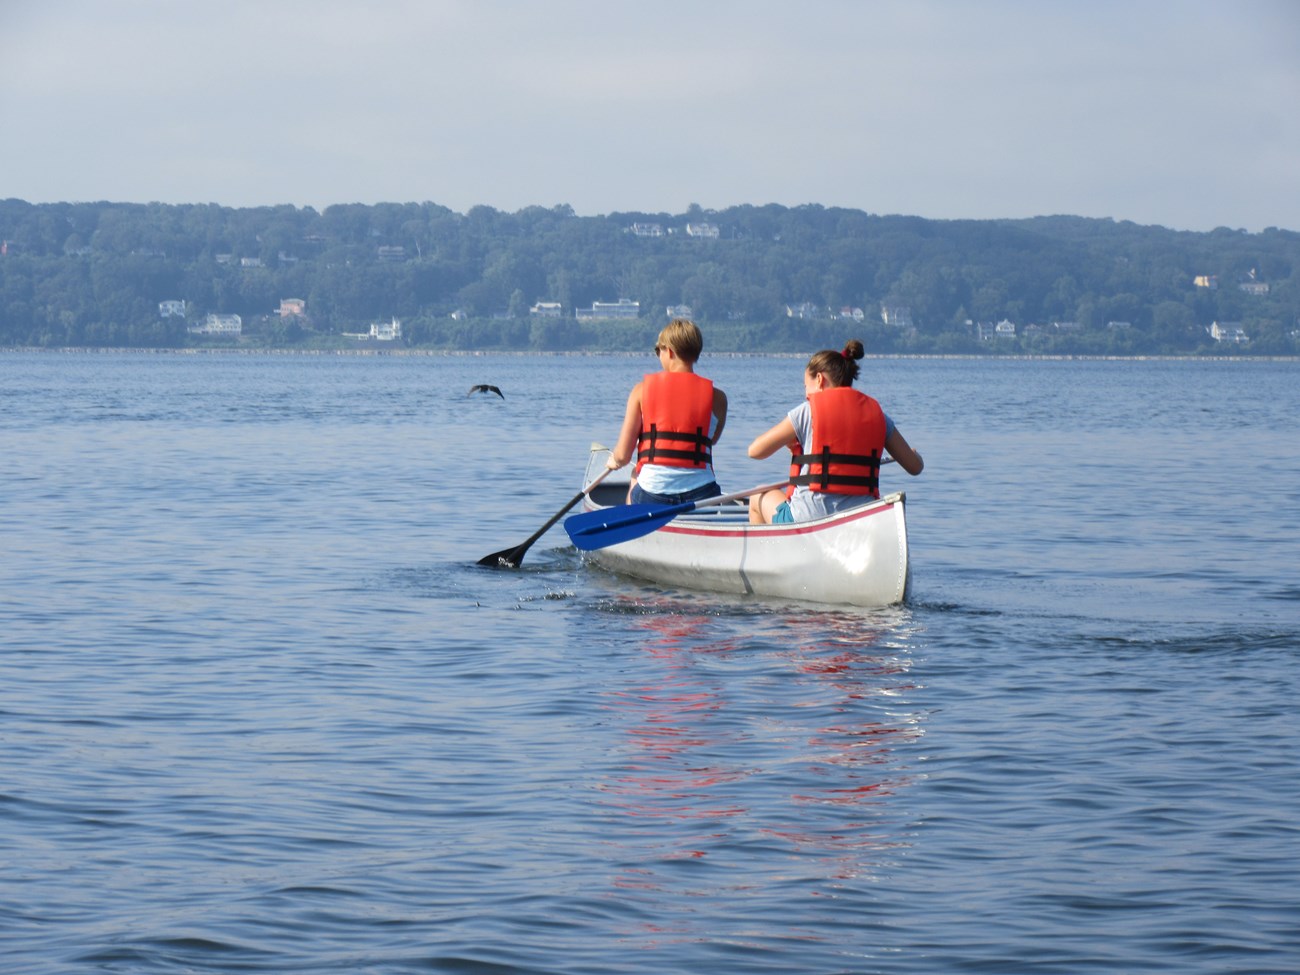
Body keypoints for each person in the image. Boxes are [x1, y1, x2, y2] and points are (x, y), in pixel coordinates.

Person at [747, 339, 922, 524]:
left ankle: (770, 551)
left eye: (806, 386)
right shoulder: (878, 416)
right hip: (861, 517)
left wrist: (788, 440)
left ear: (820, 380)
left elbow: (755, 451)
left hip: (808, 516)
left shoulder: (806, 411)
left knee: (757, 496)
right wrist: (914, 456)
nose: (806, 394)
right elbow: (915, 467)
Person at [605, 318, 728, 505]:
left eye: (658, 351)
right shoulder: (719, 398)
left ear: (668, 351)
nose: (658, 355)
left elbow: (623, 456)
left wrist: (614, 461)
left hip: (653, 494)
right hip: (703, 495)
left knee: (634, 475)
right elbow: (711, 440)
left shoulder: (640, 391)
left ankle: (638, 528)